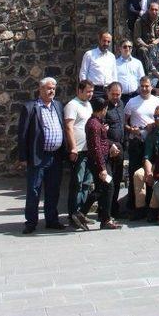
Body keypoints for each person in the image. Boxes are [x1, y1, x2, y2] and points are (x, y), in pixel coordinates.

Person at [17, 76, 67, 234]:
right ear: (40, 89)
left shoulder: (58, 105)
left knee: (53, 189)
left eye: (53, 88)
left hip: (55, 156)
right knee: (34, 189)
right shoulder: (31, 107)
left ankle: (51, 219)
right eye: (48, 88)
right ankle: (31, 222)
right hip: (38, 156)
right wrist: (23, 157)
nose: (51, 90)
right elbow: (23, 134)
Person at [124, 77, 159, 214]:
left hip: (153, 141)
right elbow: (124, 122)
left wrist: (154, 124)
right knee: (134, 174)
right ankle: (134, 208)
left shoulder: (157, 101)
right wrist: (130, 129)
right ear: (139, 87)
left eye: (147, 86)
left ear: (151, 87)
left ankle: (151, 207)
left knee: (151, 173)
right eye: (142, 86)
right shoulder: (131, 102)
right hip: (136, 141)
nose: (144, 88)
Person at [85, 95, 123, 230]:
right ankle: (86, 213)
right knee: (107, 187)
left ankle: (88, 214)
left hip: (101, 161)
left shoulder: (95, 122)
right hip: (99, 163)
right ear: (103, 109)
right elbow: (96, 147)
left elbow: (101, 143)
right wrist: (102, 168)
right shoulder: (94, 125)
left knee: (105, 188)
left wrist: (110, 146)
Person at [64, 79, 94, 230]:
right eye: (88, 91)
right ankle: (73, 214)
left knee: (86, 183)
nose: (90, 94)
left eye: (92, 91)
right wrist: (73, 148)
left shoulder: (88, 104)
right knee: (77, 182)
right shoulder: (72, 105)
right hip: (79, 150)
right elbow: (69, 127)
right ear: (79, 91)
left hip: (89, 150)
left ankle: (81, 213)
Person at [104, 82, 126, 217]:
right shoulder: (104, 107)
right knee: (108, 181)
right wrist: (109, 144)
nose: (115, 97)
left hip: (120, 147)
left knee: (117, 179)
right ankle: (104, 210)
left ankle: (114, 209)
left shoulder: (122, 104)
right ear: (108, 93)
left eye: (118, 94)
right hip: (108, 148)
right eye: (113, 94)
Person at [79, 30, 118, 97]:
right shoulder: (89, 54)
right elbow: (83, 73)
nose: (106, 43)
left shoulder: (112, 56)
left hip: (108, 91)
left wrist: (115, 88)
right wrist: (85, 89)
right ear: (99, 40)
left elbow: (114, 75)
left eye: (108, 42)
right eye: (104, 41)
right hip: (94, 90)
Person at [133, 1, 159, 70]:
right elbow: (137, 38)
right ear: (148, 10)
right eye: (152, 9)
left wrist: (156, 41)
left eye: (156, 10)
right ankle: (146, 73)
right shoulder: (140, 21)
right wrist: (146, 45)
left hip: (158, 44)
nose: (154, 11)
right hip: (145, 44)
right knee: (143, 50)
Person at [116, 38, 145, 106]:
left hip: (135, 96)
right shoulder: (115, 63)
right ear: (120, 48)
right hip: (121, 97)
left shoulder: (137, 63)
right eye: (125, 46)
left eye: (129, 47)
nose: (127, 49)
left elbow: (142, 79)